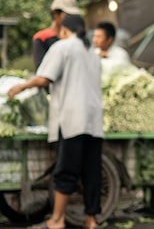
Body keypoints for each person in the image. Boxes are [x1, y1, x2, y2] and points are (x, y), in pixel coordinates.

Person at [8, 14, 104, 229]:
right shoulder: (92, 53)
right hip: (94, 121)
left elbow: (44, 78)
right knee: (91, 171)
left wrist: (20, 87)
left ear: (64, 30)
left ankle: (57, 219)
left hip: (72, 119)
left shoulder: (63, 47)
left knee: (66, 170)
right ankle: (91, 220)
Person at [32, 0, 81, 70]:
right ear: (55, 14)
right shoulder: (42, 38)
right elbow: (41, 70)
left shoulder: (77, 39)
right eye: (67, 15)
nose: (70, 19)